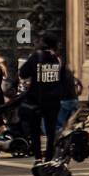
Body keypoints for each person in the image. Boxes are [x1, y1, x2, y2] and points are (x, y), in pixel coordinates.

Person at [19, 31, 66, 162]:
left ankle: (38, 157)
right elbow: (62, 79)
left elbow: (22, 73)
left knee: (35, 130)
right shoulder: (58, 59)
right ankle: (49, 157)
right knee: (51, 131)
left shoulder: (36, 56)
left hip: (37, 100)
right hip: (54, 101)